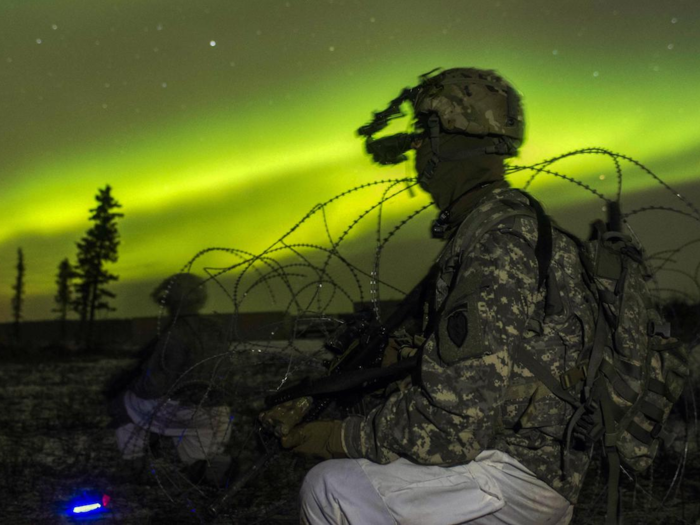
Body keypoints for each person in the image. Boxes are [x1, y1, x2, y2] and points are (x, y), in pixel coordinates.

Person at [260, 67, 597, 525]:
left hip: (511, 476)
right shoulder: (512, 227)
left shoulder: (495, 246)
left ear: (444, 144)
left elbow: (453, 428)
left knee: (329, 490)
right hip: (536, 464)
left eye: (423, 136)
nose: (415, 152)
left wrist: (338, 437)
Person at [108, 273, 235, 486]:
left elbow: (157, 383)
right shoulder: (216, 328)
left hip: (183, 407)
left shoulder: (175, 333)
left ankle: (135, 466)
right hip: (216, 410)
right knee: (201, 463)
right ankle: (214, 476)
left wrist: (130, 385)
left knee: (122, 405)